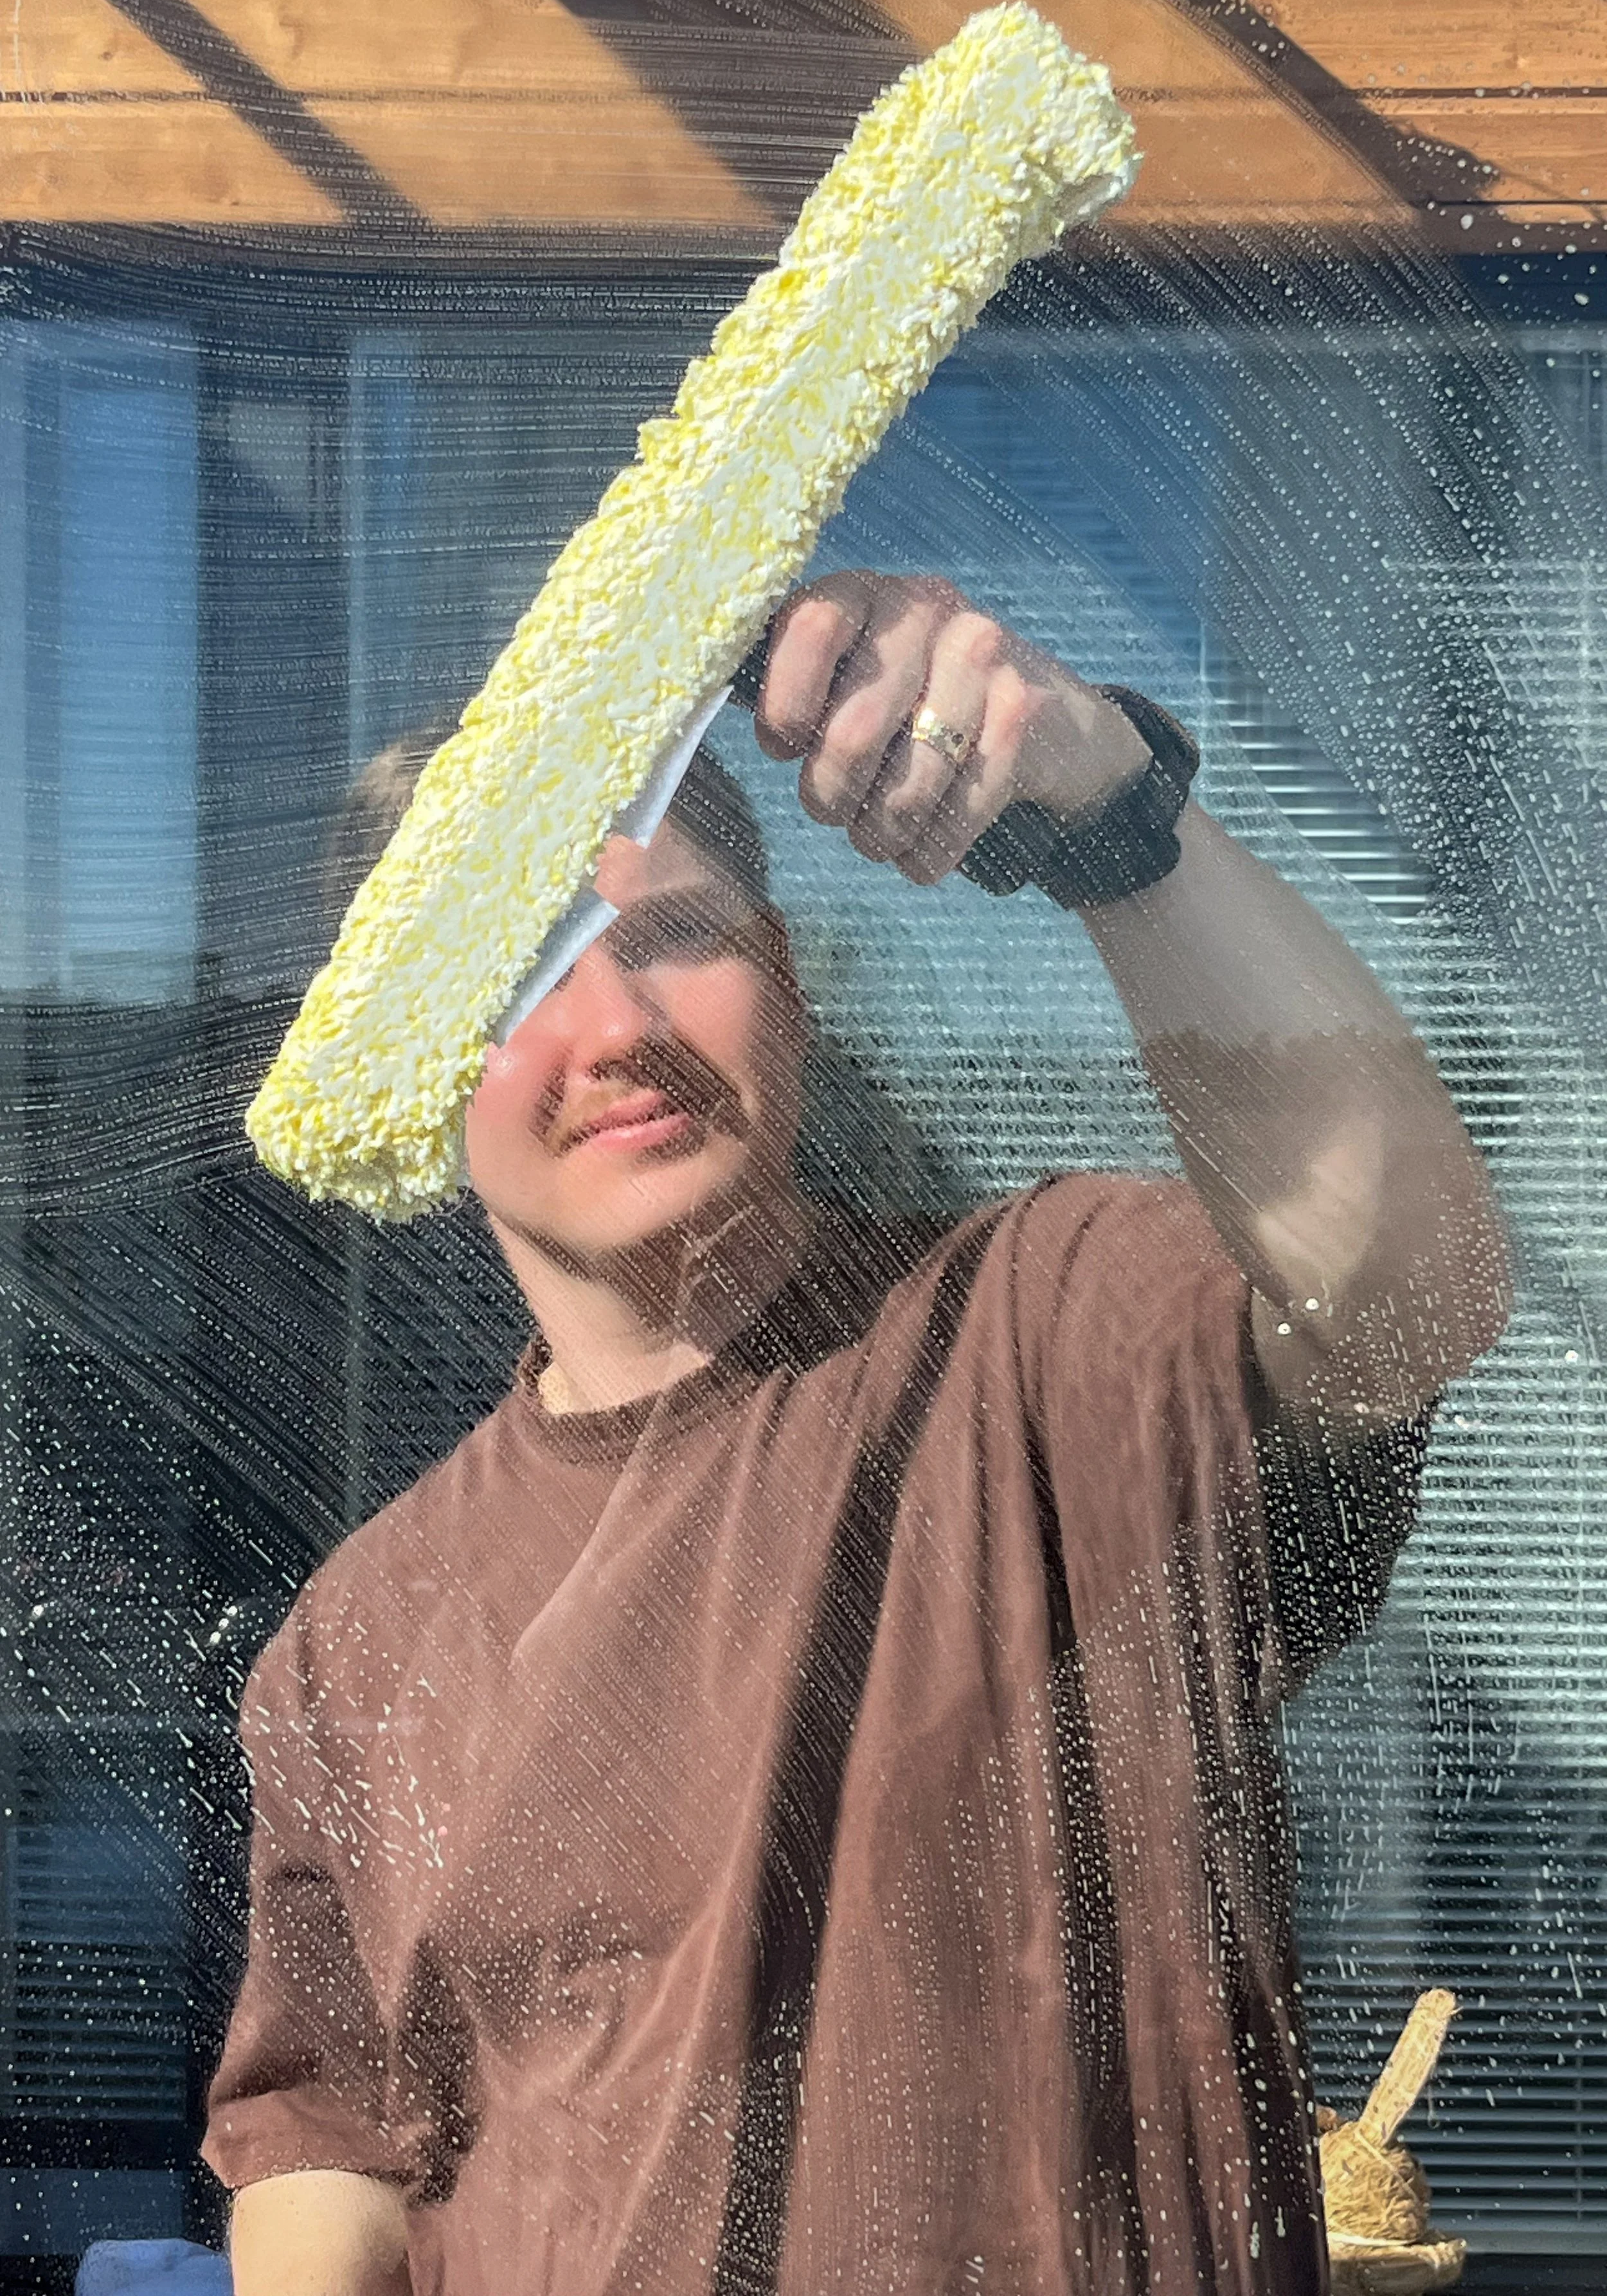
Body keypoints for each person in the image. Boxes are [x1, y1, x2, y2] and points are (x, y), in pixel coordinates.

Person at [205, 573, 1511, 2296]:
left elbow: (1405, 1281)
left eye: (678, 935)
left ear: (789, 984)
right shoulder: (358, 1640)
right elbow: (338, 2147)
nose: (618, 1030)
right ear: (411, 1075)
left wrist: (1100, 802)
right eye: (517, 978)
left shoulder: (1048, 1338)